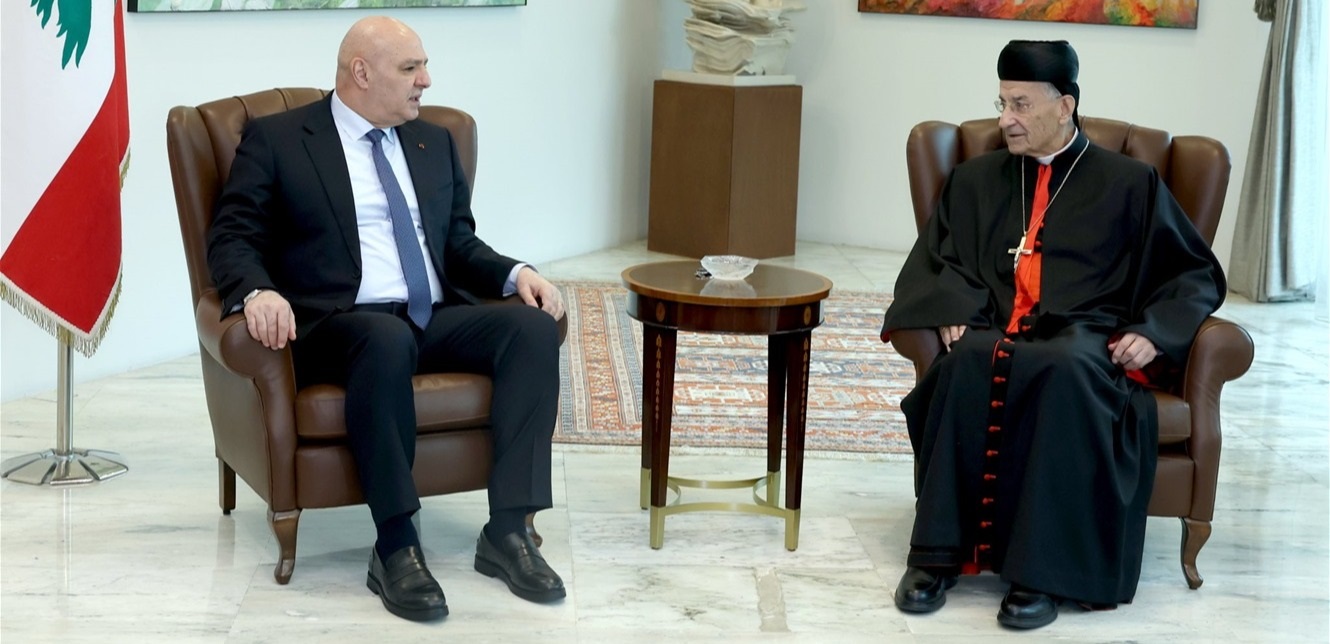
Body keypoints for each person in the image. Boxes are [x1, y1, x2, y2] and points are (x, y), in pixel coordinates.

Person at [207, 16, 567, 622]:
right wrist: (258, 291)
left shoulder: (432, 142)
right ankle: (396, 544)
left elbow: (458, 245)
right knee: (384, 336)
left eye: (424, 66)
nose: (426, 80)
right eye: (410, 68)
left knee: (531, 329)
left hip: (429, 318)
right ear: (362, 72)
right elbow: (232, 236)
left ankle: (508, 532)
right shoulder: (280, 139)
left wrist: (515, 273)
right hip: (338, 324)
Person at [881, 40, 1225, 630]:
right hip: (998, 325)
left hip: (1085, 334)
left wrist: (1153, 332)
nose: (1005, 120)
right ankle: (935, 556)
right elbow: (940, 260)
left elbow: (1191, 274)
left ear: (1064, 106)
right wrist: (951, 305)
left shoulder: (1130, 183)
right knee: (965, 361)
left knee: (1066, 369)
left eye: (1021, 105)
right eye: (1002, 103)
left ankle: (1041, 574)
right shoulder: (974, 179)